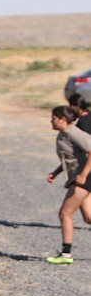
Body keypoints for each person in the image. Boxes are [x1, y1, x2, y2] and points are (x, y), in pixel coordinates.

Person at [46, 105, 91, 264]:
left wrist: (83, 175)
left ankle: (66, 255)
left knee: (65, 214)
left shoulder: (73, 133)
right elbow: (70, 158)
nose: (51, 121)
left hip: (84, 179)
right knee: (89, 218)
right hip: (78, 178)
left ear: (63, 119)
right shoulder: (62, 134)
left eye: (53, 118)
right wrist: (55, 173)